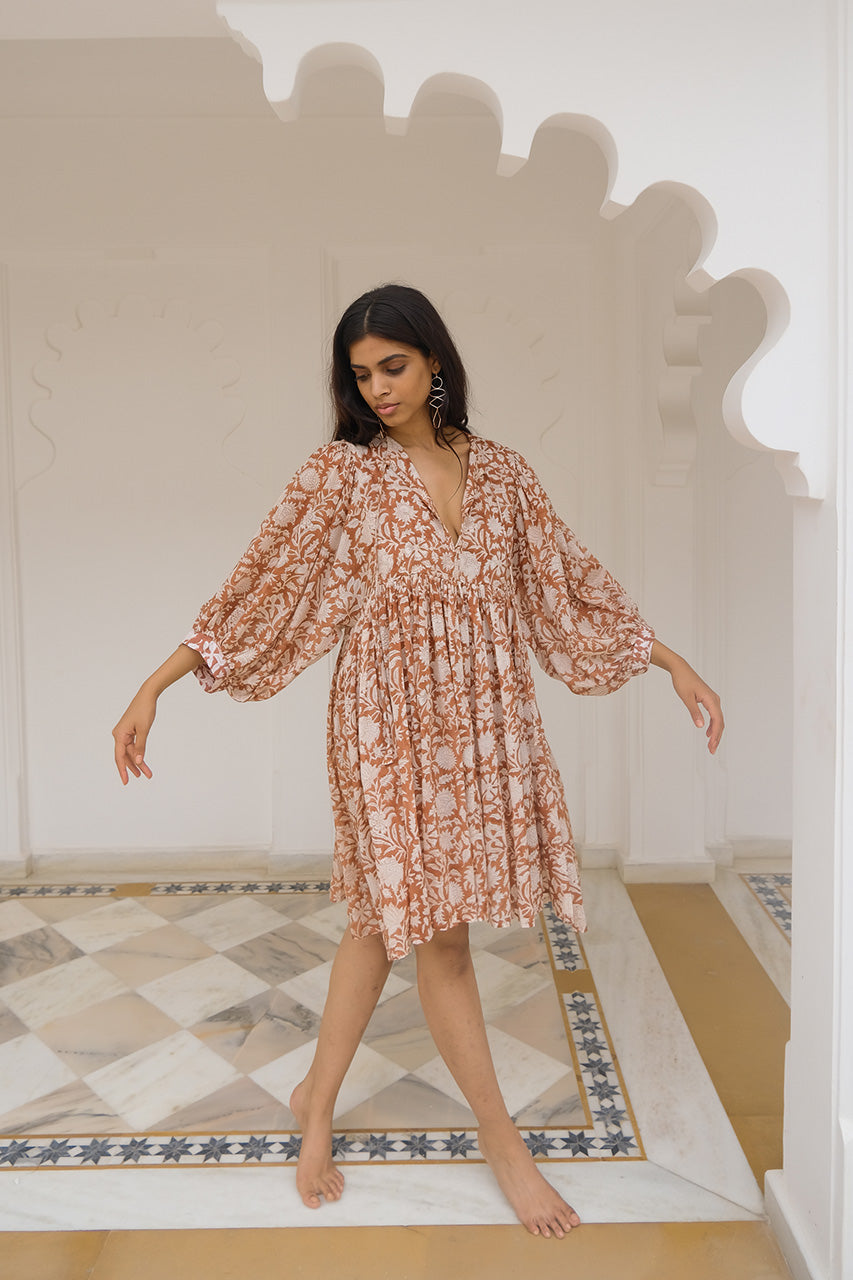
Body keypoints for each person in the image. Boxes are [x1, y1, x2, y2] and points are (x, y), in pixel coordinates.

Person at [113, 283, 723, 1239]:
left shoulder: (506, 476)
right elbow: (261, 585)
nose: (378, 389)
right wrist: (157, 684)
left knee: (376, 918)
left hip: (482, 726)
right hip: (382, 726)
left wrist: (669, 660)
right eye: (361, 375)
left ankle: (315, 1099)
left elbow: (567, 586)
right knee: (438, 934)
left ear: (434, 360)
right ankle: (501, 1141)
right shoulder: (343, 476)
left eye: (392, 366)